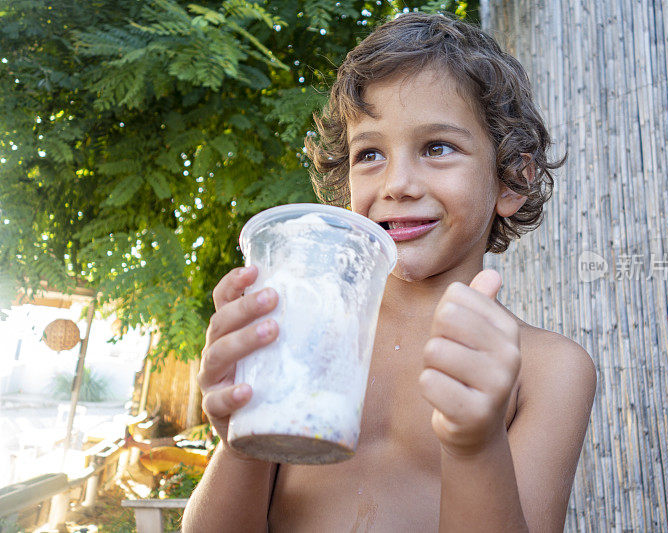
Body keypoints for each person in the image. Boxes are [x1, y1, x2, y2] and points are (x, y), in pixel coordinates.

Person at [183, 12, 596, 532]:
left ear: (513, 179)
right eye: (370, 153)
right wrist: (240, 443)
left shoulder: (545, 369)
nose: (397, 183)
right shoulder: (303, 333)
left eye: (437, 148)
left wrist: (474, 444)